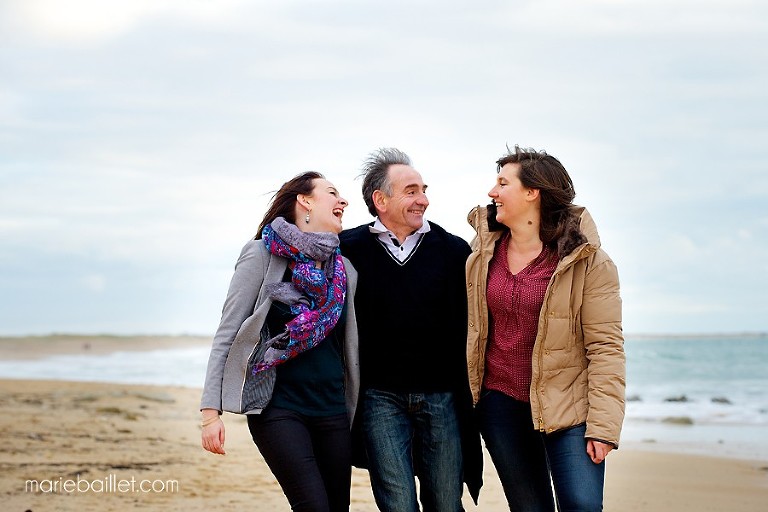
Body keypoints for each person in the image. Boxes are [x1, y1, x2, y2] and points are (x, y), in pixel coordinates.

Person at [465, 146, 625, 512]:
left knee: (581, 504)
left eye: (503, 183)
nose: (492, 192)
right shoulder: (482, 251)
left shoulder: (588, 261)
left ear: (532, 192)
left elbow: (606, 348)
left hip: (568, 408)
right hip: (501, 405)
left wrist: (603, 426)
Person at [200, 171, 360, 512]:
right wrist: (210, 414)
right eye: (332, 193)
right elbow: (227, 334)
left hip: (332, 408)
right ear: (305, 201)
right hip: (278, 408)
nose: (343, 201)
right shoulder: (260, 255)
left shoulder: (344, 268)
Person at [339, 148, 482, 512]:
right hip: (379, 398)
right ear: (380, 200)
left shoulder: (452, 251)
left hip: (442, 396)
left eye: (424, 189)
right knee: (397, 503)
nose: (423, 200)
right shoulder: (348, 250)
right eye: (412, 191)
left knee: (446, 501)